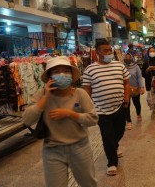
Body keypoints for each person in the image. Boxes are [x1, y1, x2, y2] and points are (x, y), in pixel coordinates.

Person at [23, 56, 98, 187]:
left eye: (66, 71)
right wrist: (45, 97)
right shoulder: (41, 94)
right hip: (52, 150)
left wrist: (70, 114)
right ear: (50, 76)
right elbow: (27, 120)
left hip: (80, 148)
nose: (62, 74)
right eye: (56, 72)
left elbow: (93, 119)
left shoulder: (80, 93)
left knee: (89, 184)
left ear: (71, 74)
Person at [82, 39, 130, 176]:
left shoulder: (119, 66)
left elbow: (126, 83)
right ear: (97, 53)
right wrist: (88, 108)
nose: (109, 53)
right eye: (106, 51)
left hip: (120, 106)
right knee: (107, 135)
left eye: (110, 50)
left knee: (120, 131)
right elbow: (87, 90)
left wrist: (126, 101)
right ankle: (112, 162)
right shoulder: (90, 69)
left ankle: (114, 147)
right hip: (101, 110)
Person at [123, 52, 145, 129]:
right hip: (125, 89)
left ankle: (138, 114)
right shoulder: (122, 67)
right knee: (126, 105)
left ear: (131, 58)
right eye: (126, 57)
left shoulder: (136, 67)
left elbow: (139, 77)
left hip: (135, 88)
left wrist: (141, 87)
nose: (127, 58)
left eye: (129, 57)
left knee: (137, 103)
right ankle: (128, 121)